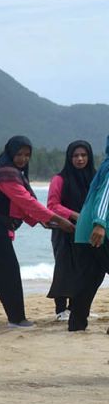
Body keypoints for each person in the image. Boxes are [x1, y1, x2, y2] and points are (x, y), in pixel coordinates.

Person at [0, 135, 74, 330]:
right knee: (8, 271)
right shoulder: (7, 175)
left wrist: (41, 221)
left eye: (27, 155)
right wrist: (57, 219)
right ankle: (17, 319)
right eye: (19, 154)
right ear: (10, 153)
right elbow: (26, 201)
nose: (23, 159)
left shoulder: (14, 173)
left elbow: (19, 206)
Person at [45, 141, 94, 321]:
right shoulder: (60, 179)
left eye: (83, 155)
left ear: (89, 157)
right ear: (69, 157)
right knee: (64, 268)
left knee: (84, 268)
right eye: (75, 155)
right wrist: (75, 215)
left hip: (86, 231)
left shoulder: (94, 179)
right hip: (64, 230)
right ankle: (60, 310)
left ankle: (76, 308)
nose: (80, 159)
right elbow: (52, 206)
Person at [65, 137, 109, 331]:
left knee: (88, 278)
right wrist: (100, 224)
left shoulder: (104, 166)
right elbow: (105, 198)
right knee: (89, 278)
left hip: (85, 231)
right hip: (97, 230)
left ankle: (76, 324)